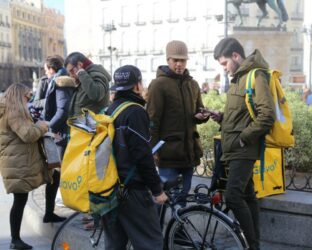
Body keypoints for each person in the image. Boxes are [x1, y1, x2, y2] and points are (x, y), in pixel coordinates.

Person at [213, 37, 276, 250]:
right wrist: (221, 117)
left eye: (224, 63)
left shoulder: (255, 76)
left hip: (243, 149)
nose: (223, 69)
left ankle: (252, 245)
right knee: (248, 196)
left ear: (236, 56)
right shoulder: (239, 78)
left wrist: (243, 138)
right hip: (237, 149)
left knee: (232, 196)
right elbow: (242, 115)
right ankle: (254, 245)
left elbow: (267, 116)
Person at [102, 65, 167, 250]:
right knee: (151, 243)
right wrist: (157, 190)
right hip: (132, 190)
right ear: (138, 86)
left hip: (109, 189)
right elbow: (142, 156)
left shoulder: (111, 110)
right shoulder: (135, 112)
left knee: (115, 245)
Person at [146, 40, 208, 204]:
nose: (179, 64)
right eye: (175, 60)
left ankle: (177, 230)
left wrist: (202, 115)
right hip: (168, 154)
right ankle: (157, 229)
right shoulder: (158, 85)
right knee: (164, 200)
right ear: (168, 60)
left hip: (189, 152)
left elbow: (198, 110)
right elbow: (152, 120)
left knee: (182, 199)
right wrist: (153, 150)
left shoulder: (193, 84)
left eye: (183, 60)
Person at [0, 83, 49, 250]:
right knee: (20, 200)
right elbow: (28, 134)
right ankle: (15, 240)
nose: (28, 99)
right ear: (19, 95)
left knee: (20, 200)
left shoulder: (7, 109)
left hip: (14, 161)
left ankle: (16, 239)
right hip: (17, 163)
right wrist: (42, 126)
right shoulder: (14, 112)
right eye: (27, 96)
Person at [41, 55, 75, 223]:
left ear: (51, 69)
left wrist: (48, 126)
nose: (45, 73)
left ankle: (49, 212)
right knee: (54, 173)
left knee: (55, 173)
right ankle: (49, 213)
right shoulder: (57, 80)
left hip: (58, 135)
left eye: (46, 70)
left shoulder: (61, 82)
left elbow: (63, 111)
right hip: (56, 133)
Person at [64, 52, 111, 117]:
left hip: (92, 126)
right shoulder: (84, 77)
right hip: (81, 125)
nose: (71, 75)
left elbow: (96, 94)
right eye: (69, 73)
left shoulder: (96, 74)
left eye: (72, 71)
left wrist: (81, 73)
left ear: (80, 65)